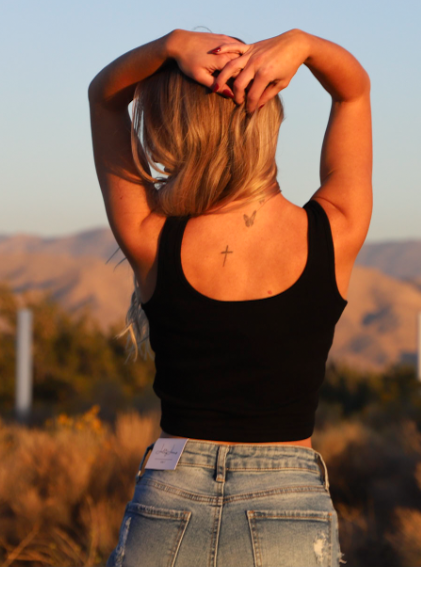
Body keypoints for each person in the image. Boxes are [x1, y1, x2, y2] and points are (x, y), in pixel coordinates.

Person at [88, 29, 372, 567]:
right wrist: (305, 46)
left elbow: (105, 96)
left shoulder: (152, 237)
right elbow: (353, 91)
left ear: (171, 130)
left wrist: (171, 45)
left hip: (169, 498)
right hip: (288, 508)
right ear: (269, 116)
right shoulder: (333, 233)